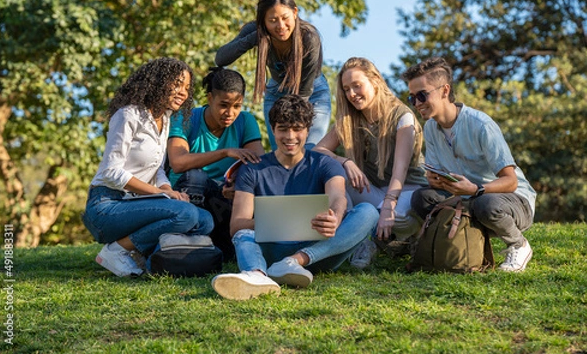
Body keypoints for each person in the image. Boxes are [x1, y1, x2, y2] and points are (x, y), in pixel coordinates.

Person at [211, 95, 378, 300]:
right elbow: (237, 224)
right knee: (243, 235)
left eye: (297, 128)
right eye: (283, 128)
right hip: (270, 252)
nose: (290, 136)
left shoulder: (325, 163)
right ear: (272, 130)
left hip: (318, 253)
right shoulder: (252, 168)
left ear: (308, 130)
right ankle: (256, 275)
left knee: (368, 212)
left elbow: (338, 197)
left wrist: (335, 216)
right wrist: (283, 222)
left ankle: (294, 262)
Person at [401, 57, 537, 272]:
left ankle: (518, 245)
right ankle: (458, 241)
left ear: (445, 91)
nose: (417, 103)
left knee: (486, 204)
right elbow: (439, 177)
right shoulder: (430, 129)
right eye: (412, 98)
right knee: (422, 197)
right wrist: (435, 181)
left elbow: (510, 181)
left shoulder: (481, 124)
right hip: (467, 199)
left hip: (510, 203)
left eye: (422, 95)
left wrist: (476, 189)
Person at [83, 58, 214, 277]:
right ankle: (116, 251)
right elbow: (111, 172)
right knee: (186, 215)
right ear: (158, 82)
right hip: (107, 204)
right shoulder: (128, 115)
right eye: (177, 84)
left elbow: (158, 169)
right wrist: (160, 193)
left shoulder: (166, 119)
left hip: (139, 203)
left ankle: (152, 261)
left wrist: (167, 190)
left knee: (204, 220)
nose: (183, 92)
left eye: (187, 88)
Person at [314, 57, 428, 267]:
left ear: (375, 80)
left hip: (407, 192)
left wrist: (387, 209)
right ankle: (363, 242)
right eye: (347, 89)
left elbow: (400, 171)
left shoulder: (402, 117)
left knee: (399, 217)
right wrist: (345, 161)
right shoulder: (350, 119)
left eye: (357, 86)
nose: (352, 94)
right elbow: (317, 151)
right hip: (374, 192)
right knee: (333, 172)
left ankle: (403, 235)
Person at [167, 67, 265, 259]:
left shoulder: (245, 121)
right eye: (224, 105)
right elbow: (178, 162)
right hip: (187, 196)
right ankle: (188, 243)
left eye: (237, 106)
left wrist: (239, 186)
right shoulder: (185, 118)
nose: (230, 113)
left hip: (223, 199)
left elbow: (259, 167)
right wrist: (225, 152)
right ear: (210, 98)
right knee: (196, 176)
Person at [215, 0, 331, 150]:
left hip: (312, 94)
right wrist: (255, 38)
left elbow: (303, 93)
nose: (281, 26)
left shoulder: (309, 38)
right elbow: (220, 59)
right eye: (273, 20)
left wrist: (293, 129)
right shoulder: (256, 31)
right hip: (276, 93)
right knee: (282, 153)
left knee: (309, 151)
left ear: (295, 12)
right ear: (263, 21)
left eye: (285, 18)